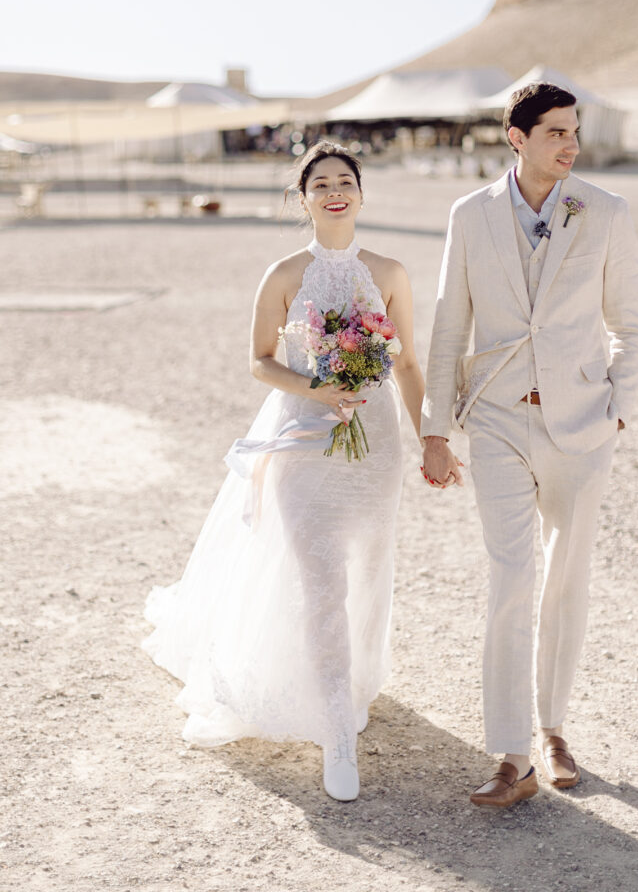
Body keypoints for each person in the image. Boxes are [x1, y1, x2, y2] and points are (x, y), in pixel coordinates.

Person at [143, 141, 425, 803]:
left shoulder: (389, 270)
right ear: (303, 200)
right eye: (320, 183)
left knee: (367, 571)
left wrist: (431, 439)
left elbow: (408, 363)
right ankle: (337, 735)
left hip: (376, 443)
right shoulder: (283, 274)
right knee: (321, 575)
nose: (334, 191)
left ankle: (351, 685)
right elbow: (259, 361)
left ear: (360, 193)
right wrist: (317, 387)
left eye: (345, 181)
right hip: (301, 436)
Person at [420, 83, 638, 808]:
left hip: (583, 424)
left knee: (566, 579)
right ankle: (512, 752)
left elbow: (632, 325)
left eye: (574, 131)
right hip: (495, 421)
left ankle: (554, 730)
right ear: (516, 139)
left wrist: (618, 410)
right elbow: (449, 323)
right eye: (554, 132)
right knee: (512, 576)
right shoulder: (471, 215)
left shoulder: (605, 211)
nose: (570, 144)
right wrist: (434, 426)